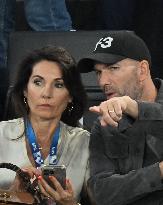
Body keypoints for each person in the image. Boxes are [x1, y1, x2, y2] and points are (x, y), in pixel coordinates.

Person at [77, 30, 163, 205]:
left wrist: (135, 108)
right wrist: (160, 172)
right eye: (98, 72)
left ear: (142, 70)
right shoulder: (104, 124)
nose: (102, 82)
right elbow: (100, 192)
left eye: (113, 68)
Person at [0, 46, 90, 205]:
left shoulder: (85, 142)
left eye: (59, 85)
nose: (46, 93)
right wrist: (11, 196)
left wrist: (70, 204)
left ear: (70, 95)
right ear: (25, 91)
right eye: (38, 82)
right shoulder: (1, 133)